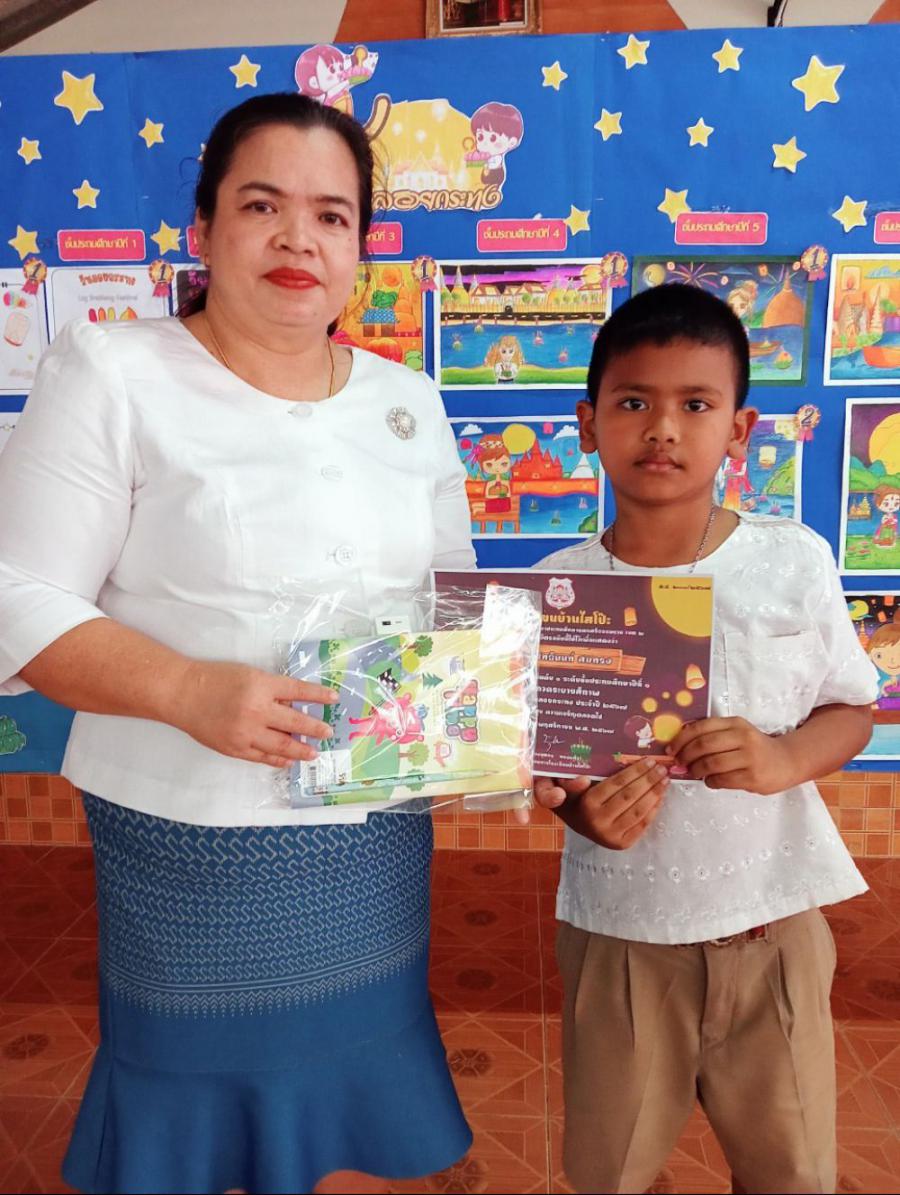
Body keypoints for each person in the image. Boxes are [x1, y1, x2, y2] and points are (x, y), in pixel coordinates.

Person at [0, 93, 476, 1195]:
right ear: (204, 229)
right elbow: (16, 592)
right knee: (192, 1122)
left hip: (374, 831)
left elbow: (450, 607)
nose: (298, 238)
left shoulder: (408, 402)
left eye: (332, 215)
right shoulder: (114, 370)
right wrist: (182, 687)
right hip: (193, 840)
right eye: (262, 206)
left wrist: (478, 728)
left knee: (355, 1104)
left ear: (361, 248)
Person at [533, 284, 877, 1195]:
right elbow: (547, 767)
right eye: (632, 402)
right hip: (621, 934)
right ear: (588, 424)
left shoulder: (791, 559)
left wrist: (784, 758)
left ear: (739, 429)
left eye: (696, 404)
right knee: (608, 1171)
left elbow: (853, 707)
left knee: (793, 1171)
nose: (662, 428)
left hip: (774, 930)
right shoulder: (557, 588)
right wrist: (579, 814)